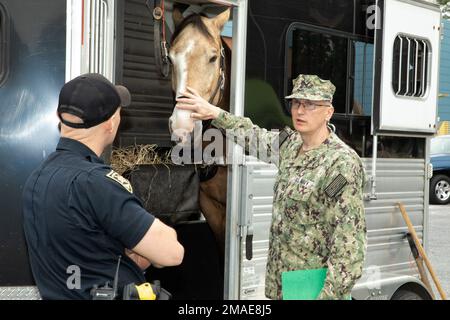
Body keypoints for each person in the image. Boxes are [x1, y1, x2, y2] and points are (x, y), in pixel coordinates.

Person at [175, 74, 367, 300]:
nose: (300, 111)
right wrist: (214, 112)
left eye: (310, 105)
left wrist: (327, 296)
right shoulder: (291, 145)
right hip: (283, 283)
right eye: (296, 103)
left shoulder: (341, 162)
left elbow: (349, 244)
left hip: (313, 287)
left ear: (328, 112)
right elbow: (252, 135)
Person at [22, 73, 184, 300]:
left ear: (62, 118)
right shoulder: (96, 183)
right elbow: (172, 253)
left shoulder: (37, 178)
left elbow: (81, 246)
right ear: (110, 124)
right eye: (119, 112)